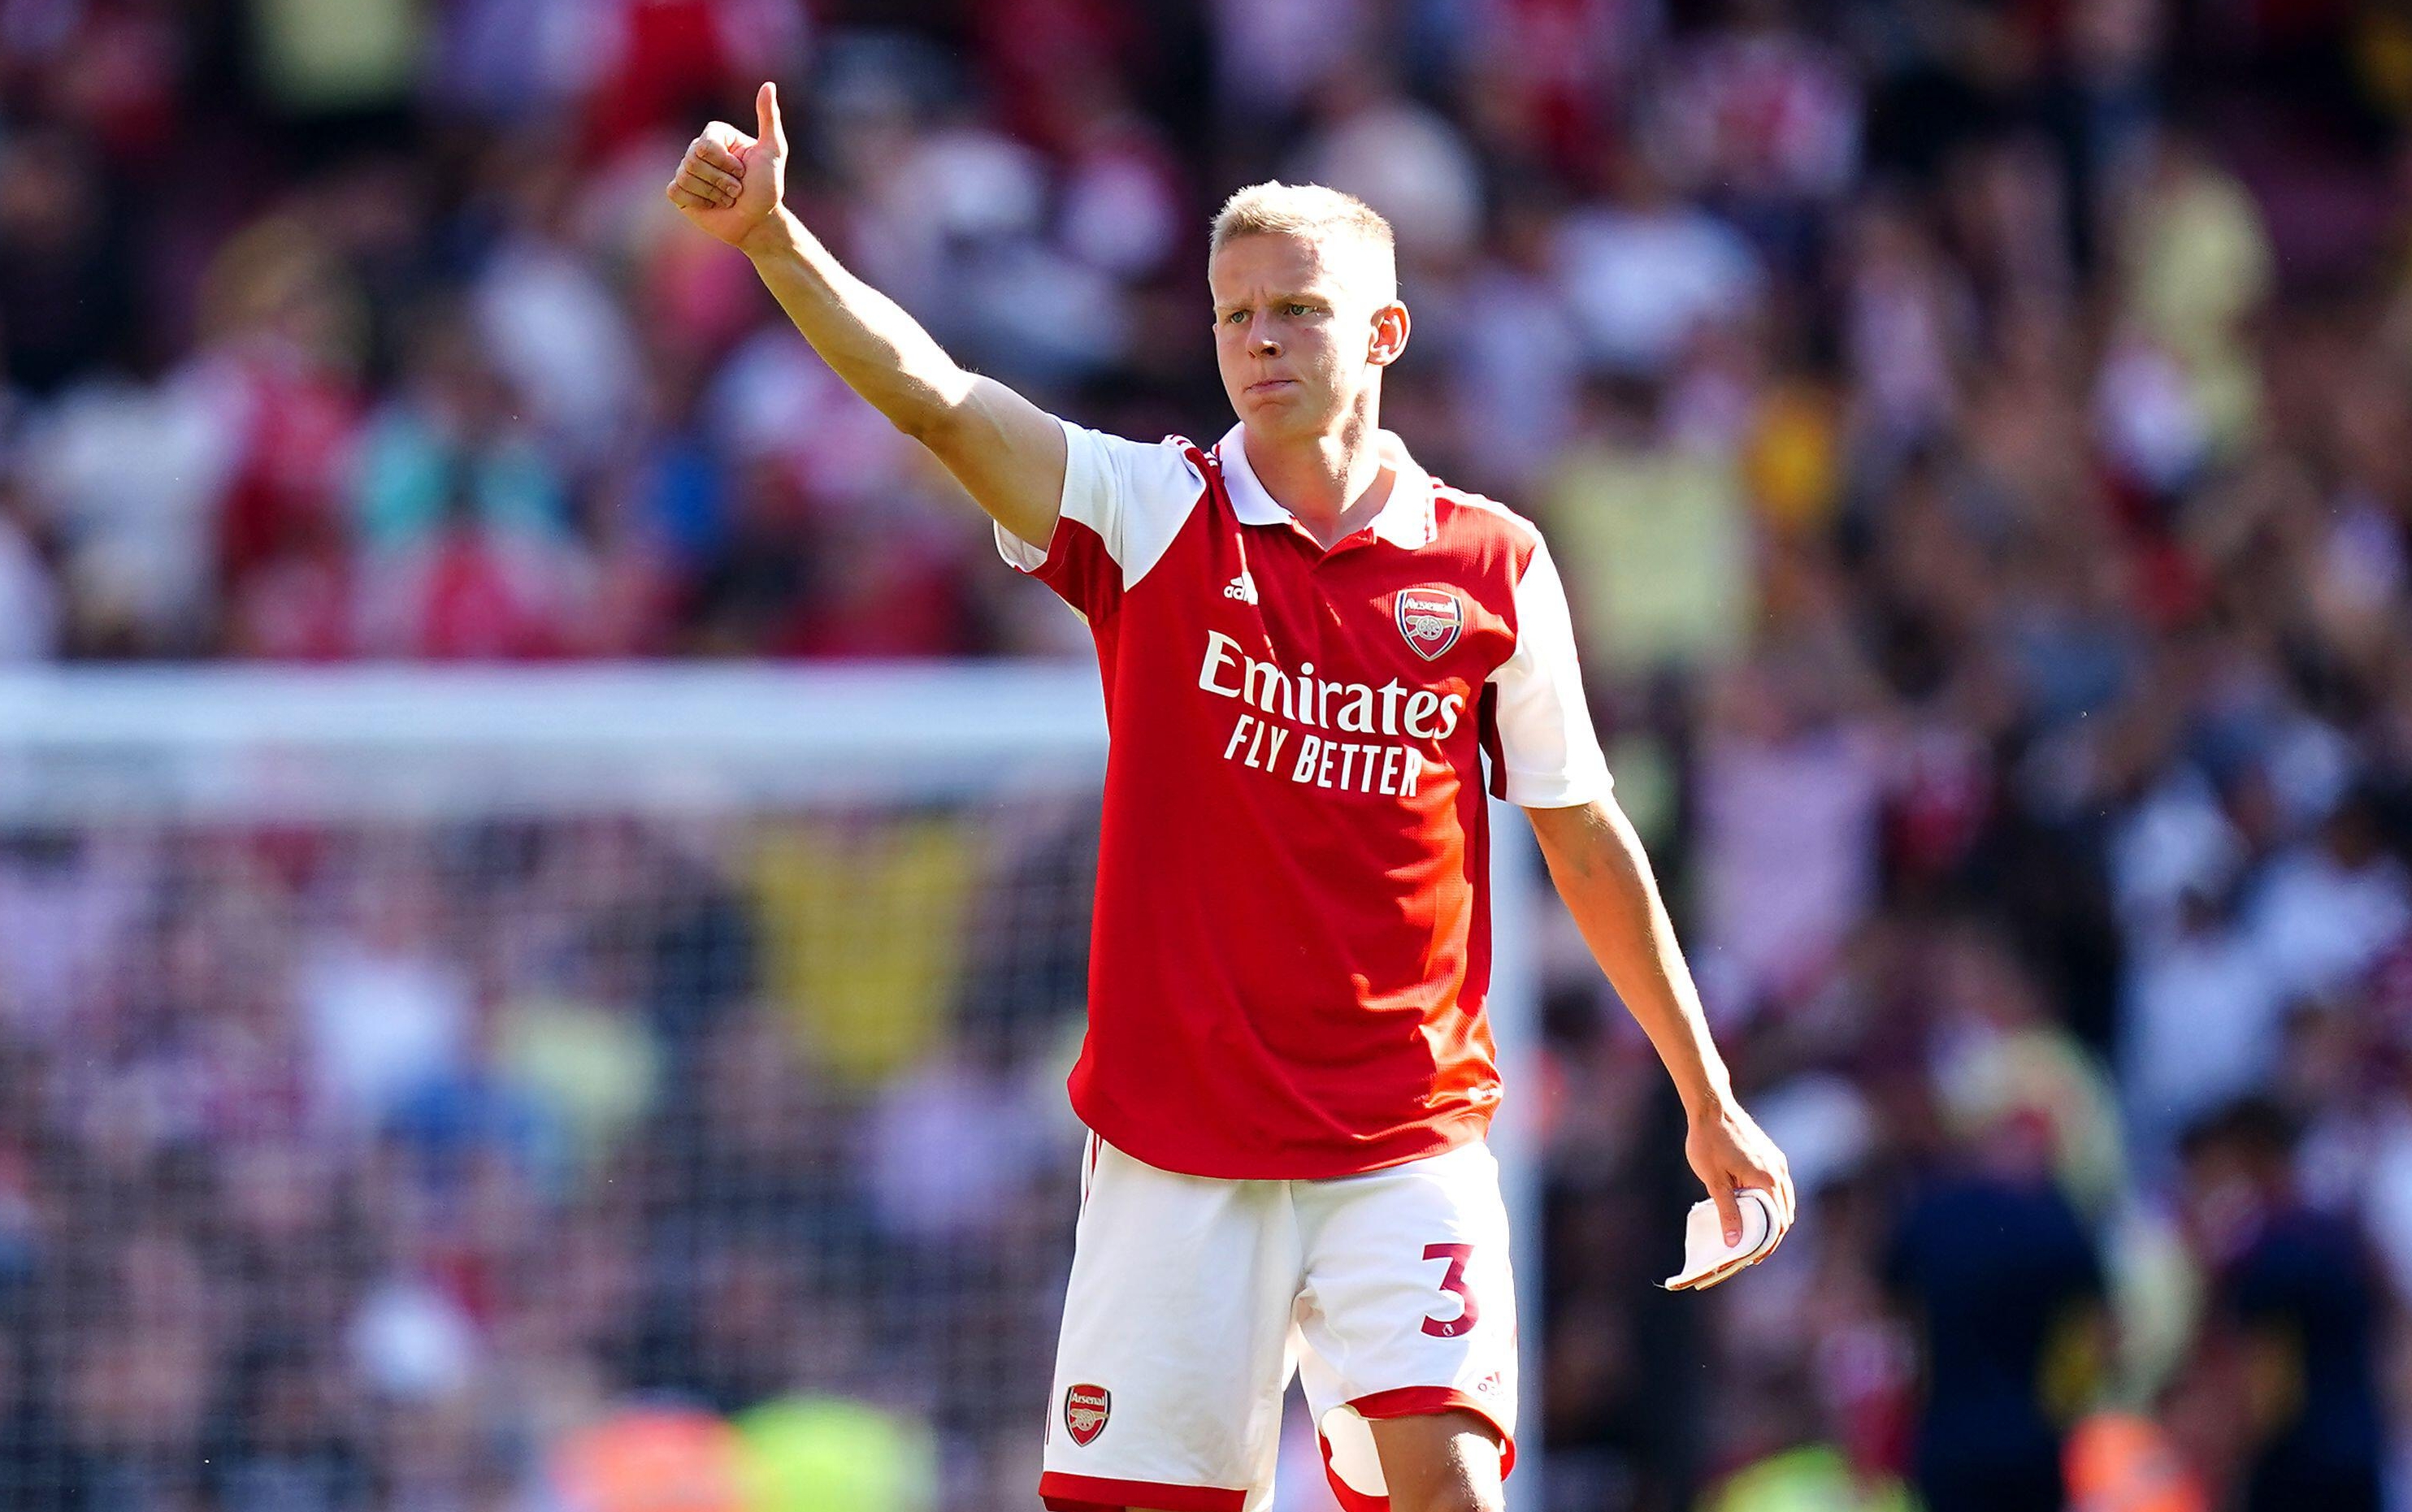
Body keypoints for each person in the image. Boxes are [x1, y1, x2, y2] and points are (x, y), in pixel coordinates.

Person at [665, 84, 1793, 1512]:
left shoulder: (1492, 565)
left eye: (1299, 310)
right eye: (1234, 314)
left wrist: (1708, 1095)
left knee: (1448, 1482)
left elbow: (1581, 829)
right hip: (1174, 1151)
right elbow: (937, 401)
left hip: (1406, 1137)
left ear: (1384, 332)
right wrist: (775, 240)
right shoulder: (1150, 517)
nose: (1260, 340)